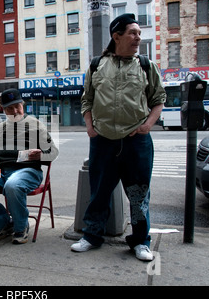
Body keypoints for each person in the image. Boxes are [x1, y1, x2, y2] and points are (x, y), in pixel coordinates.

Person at [71, 13, 166, 261]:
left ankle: (140, 241)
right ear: (117, 36)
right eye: (133, 33)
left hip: (137, 142)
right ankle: (92, 236)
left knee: (139, 193)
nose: (138, 37)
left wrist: (147, 126)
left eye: (138, 34)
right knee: (99, 192)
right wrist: (90, 128)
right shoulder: (96, 65)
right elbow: (86, 100)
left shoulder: (146, 65)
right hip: (102, 141)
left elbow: (158, 100)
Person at [0, 88, 59, 244]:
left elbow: (53, 152)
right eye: (10, 108)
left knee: (13, 184)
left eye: (18, 106)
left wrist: (41, 155)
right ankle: (3, 224)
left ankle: (21, 227)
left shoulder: (36, 125)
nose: (15, 111)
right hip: (0, 172)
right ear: (4, 110)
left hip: (27, 170)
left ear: (23, 105)